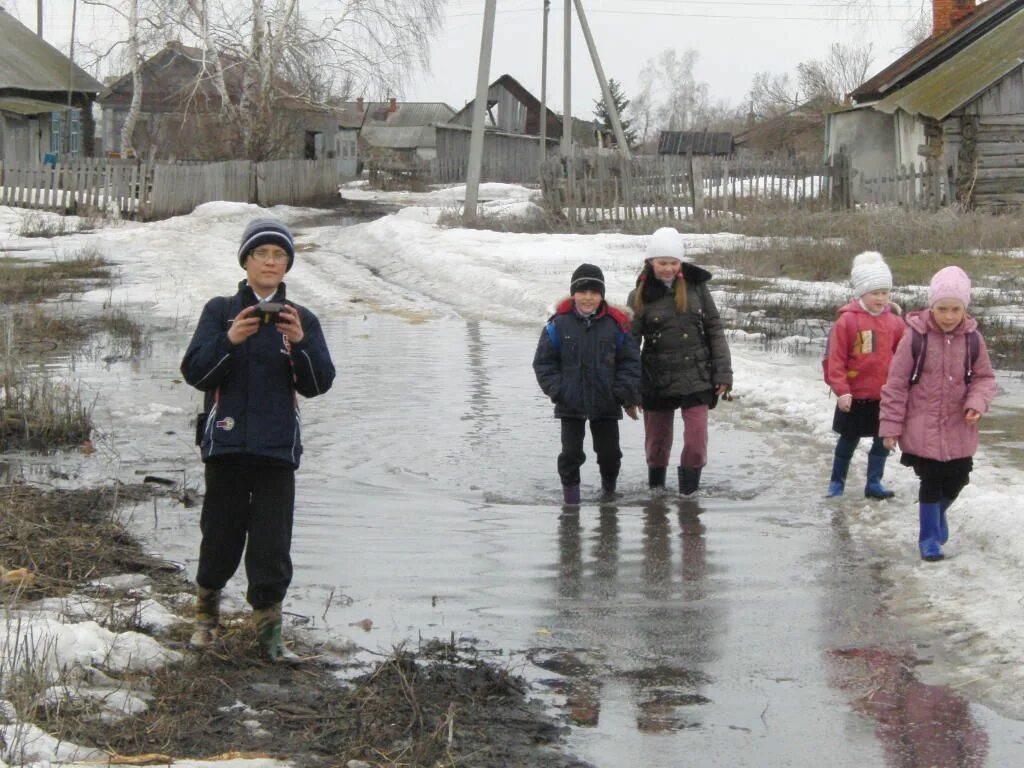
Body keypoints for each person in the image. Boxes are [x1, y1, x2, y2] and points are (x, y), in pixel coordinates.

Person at [180, 217, 336, 659]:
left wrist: (301, 343)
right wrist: (230, 340)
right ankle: (205, 620)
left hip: (277, 449)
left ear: (288, 264)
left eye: (279, 255)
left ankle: (269, 636)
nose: (270, 262)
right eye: (261, 254)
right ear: (246, 261)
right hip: (226, 445)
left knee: (271, 543)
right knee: (220, 535)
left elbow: (318, 384)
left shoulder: (301, 318)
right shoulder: (220, 311)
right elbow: (195, 373)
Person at [880, 266, 996, 562]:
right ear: (932, 306)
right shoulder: (915, 338)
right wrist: (890, 427)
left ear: (964, 309)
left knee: (959, 478)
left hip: (960, 425)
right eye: (942, 308)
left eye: (955, 309)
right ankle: (929, 538)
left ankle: (937, 514)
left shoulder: (973, 340)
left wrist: (976, 404)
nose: (948, 316)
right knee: (930, 481)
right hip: (922, 427)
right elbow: (895, 384)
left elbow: (984, 378)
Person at [627, 227, 732, 496]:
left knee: (697, 443)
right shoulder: (638, 295)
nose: (668, 269)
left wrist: (723, 373)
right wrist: (630, 387)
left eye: (674, 263)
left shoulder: (697, 289)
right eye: (662, 263)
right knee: (657, 445)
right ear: (651, 262)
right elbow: (630, 344)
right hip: (656, 378)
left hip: (696, 376)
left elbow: (714, 329)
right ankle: (656, 494)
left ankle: (689, 497)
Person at [533, 263, 641, 505]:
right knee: (571, 455)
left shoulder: (617, 325)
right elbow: (543, 363)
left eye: (594, 292)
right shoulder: (558, 325)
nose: (588, 298)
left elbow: (631, 362)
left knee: (610, 455)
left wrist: (621, 393)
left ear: (602, 295)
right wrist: (558, 391)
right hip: (570, 404)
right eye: (582, 291)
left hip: (606, 403)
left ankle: (609, 495)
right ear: (573, 293)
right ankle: (571, 503)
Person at [823, 251, 906, 499]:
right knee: (848, 441)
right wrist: (842, 390)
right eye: (875, 293)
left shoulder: (896, 323)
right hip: (854, 396)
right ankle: (836, 483)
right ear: (861, 293)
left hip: (884, 397)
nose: (881, 298)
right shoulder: (847, 321)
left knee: (882, 442)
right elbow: (834, 360)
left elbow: (904, 360)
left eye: (885, 292)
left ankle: (874, 483)